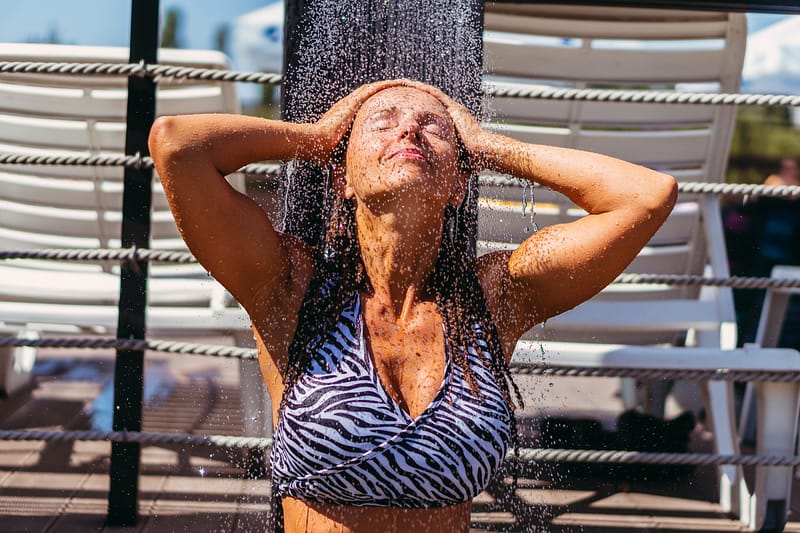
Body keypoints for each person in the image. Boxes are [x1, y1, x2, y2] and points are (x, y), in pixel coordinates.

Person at [148, 79, 677, 533]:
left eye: (434, 127)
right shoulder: (291, 287)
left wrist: (488, 146)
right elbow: (176, 144)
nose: (408, 131)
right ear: (343, 179)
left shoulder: (492, 298)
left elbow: (646, 195)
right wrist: (319, 137)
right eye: (382, 123)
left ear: (458, 186)